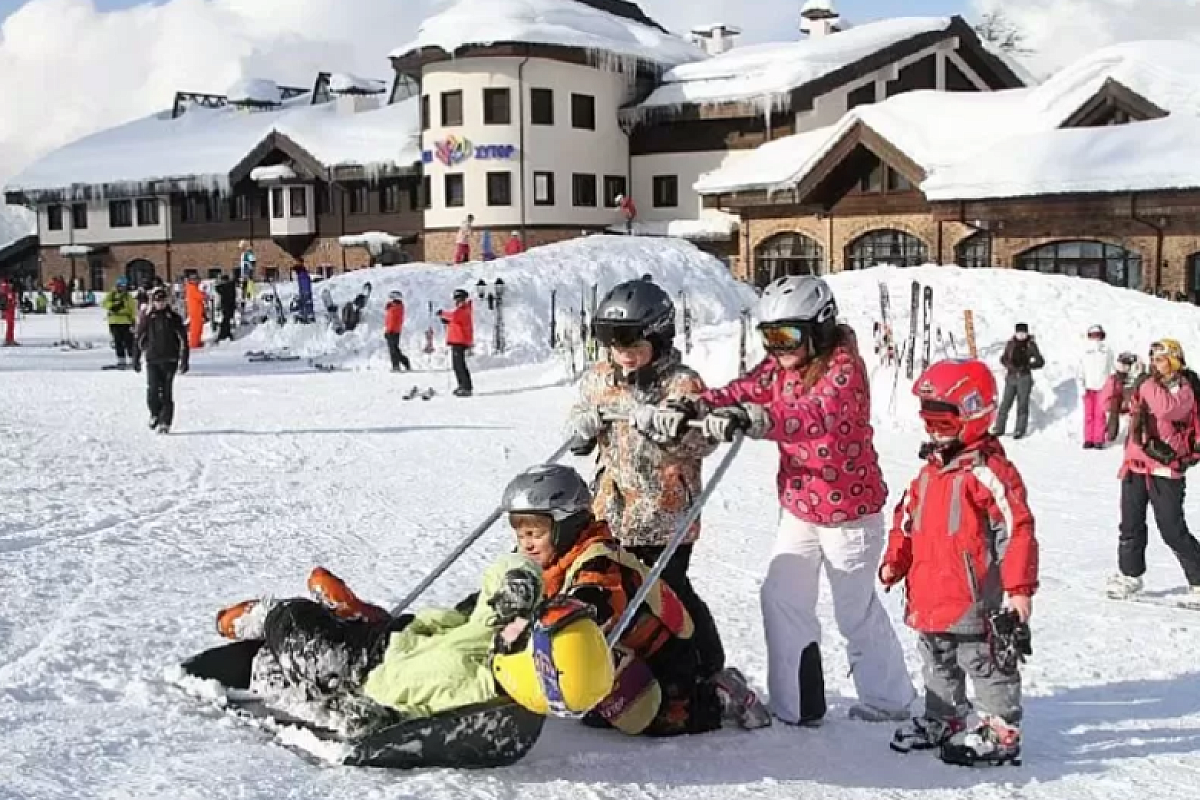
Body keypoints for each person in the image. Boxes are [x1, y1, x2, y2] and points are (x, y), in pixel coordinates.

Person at [698, 275, 914, 726]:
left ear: (819, 327)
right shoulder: (780, 365)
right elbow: (741, 391)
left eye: (788, 335)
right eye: (769, 336)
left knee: (852, 610)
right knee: (781, 595)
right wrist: (696, 406)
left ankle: (889, 699)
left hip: (848, 513)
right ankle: (796, 704)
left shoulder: (843, 367)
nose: (777, 348)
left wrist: (759, 418)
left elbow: (816, 413)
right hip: (800, 505)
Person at [492, 464, 770, 735]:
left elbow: (592, 601)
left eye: (535, 533)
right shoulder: (549, 558)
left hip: (667, 658)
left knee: (656, 719)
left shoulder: (598, 560)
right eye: (520, 534)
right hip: (620, 647)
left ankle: (721, 696)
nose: (526, 543)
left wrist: (533, 620)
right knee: (594, 709)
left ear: (567, 525)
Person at [567, 278, 726, 680]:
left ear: (659, 338)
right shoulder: (600, 378)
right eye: (617, 349)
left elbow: (703, 441)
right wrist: (582, 429)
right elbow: (581, 427)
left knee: (666, 590)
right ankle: (632, 666)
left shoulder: (681, 383)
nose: (625, 357)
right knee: (617, 590)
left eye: (634, 348)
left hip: (664, 513)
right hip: (611, 509)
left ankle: (705, 665)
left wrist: (664, 425)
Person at [881, 358, 1037, 767]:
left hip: (971, 596)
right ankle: (944, 718)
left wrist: (1018, 590)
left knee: (984, 660)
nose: (934, 432)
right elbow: (904, 519)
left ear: (974, 416)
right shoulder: (928, 472)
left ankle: (1001, 729)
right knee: (936, 658)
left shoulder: (987, 472)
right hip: (929, 592)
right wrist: (895, 562)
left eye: (945, 424)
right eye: (929, 422)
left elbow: (1017, 527)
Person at [215, 554, 546, 736]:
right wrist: (521, 580)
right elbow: (506, 570)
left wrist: (379, 718)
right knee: (297, 618)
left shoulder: (485, 698)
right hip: (386, 644)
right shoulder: (495, 631)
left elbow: (427, 718)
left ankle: (348, 615)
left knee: (317, 659)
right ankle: (265, 613)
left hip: (363, 677)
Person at [1106, 339, 1200, 600]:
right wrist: (1120, 382)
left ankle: (1199, 578)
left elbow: (1166, 409)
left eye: (1160, 358)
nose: (1154, 364)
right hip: (1136, 464)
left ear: (1174, 360)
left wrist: (1144, 383)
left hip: (1165, 467)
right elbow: (1112, 404)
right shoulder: (1146, 385)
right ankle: (1130, 575)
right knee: (1130, 525)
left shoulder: (1184, 387)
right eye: (1152, 358)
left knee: (1172, 529)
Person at [133, 287, 189, 434]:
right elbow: (139, 338)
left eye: (163, 300)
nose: (160, 304)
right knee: (152, 390)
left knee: (166, 392)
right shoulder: (148, 318)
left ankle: (165, 421)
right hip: (153, 359)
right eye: (158, 301)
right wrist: (136, 358)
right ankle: (155, 413)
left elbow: (183, 339)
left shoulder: (174, 318)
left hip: (170, 359)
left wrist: (184, 360)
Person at [993, 323, 1045, 439]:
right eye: (1019, 333)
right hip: (1011, 377)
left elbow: (1040, 361)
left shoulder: (1030, 345)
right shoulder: (1010, 343)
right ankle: (999, 428)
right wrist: (1009, 365)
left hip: (1024, 378)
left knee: (1022, 404)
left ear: (1027, 333)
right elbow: (1003, 358)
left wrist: (1028, 365)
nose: (1021, 335)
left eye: (1023, 333)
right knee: (1005, 403)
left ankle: (1020, 430)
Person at [1079, 324, 1114, 449]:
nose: (1096, 338)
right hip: (1088, 387)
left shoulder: (1107, 350)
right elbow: (1080, 370)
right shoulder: (1084, 350)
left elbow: (1111, 369)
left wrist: (1110, 386)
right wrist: (1081, 386)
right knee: (1088, 415)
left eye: (1098, 335)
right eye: (1093, 335)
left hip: (1102, 388)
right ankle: (1088, 439)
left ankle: (1099, 439)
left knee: (1100, 415)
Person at [438, 289, 474, 397]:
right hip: (457, 340)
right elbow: (456, 321)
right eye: (457, 299)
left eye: (459, 299)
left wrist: (442, 314)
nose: (458, 301)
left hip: (460, 340)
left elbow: (454, 316)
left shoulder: (463, 309)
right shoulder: (462, 310)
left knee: (459, 365)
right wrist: (448, 322)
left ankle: (466, 387)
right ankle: (462, 385)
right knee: (457, 365)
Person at [1104, 352, 1145, 443]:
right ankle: (1111, 433)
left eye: (1126, 365)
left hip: (1133, 402)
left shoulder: (1139, 376)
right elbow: (1106, 396)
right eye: (1122, 365)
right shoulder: (1114, 378)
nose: (1124, 368)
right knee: (1114, 405)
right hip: (1118, 402)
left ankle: (1136, 435)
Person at [102, 276, 138, 369]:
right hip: (114, 322)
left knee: (128, 341)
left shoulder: (127, 296)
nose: (122, 288)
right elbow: (104, 303)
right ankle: (121, 360)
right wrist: (113, 306)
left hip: (125, 321)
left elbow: (132, 308)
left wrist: (133, 320)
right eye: (120, 286)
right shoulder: (112, 295)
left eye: (124, 286)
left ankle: (132, 359)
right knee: (118, 342)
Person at [384, 290, 411, 372]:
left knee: (393, 350)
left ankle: (396, 365)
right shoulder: (393, 307)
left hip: (393, 331)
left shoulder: (397, 307)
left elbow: (393, 320)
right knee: (394, 349)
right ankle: (404, 362)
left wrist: (389, 331)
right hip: (392, 330)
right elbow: (388, 320)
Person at [214, 274, 238, 342]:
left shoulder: (227, 287)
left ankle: (222, 335)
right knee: (227, 321)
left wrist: (217, 283)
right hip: (230, 306)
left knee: (225, 322)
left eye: (222, 280)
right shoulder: (231, 285)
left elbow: (218, 289)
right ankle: (227, 333)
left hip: (227, 306)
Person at [184, 274, 205, 349]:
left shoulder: (193, 287)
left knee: (199, 327)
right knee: (195, 328)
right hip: (195, 310)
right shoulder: (192, 288)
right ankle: (194, 343)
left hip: (196, 310)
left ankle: (197, 341)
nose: (199, 281)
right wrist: (204, 294)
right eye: (197, 280)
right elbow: (200, 296)